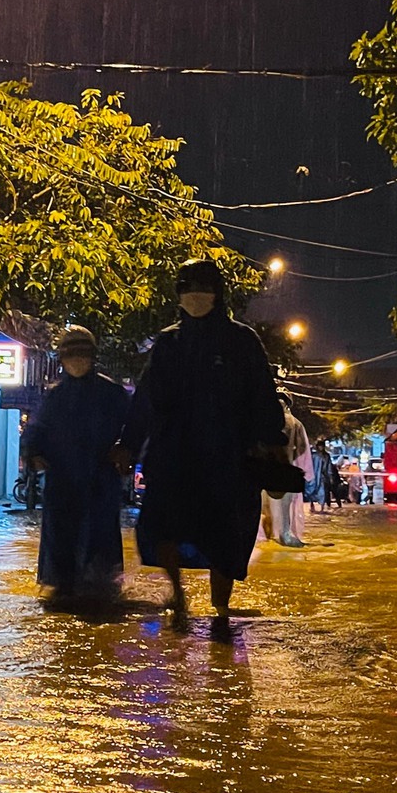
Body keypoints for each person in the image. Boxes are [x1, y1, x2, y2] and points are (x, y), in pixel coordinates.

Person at [116, 258, 288, 624]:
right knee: (161, 528)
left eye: (203, 289)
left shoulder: (242, 341)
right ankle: (177, 594)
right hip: (173, 455)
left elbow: (263, 395)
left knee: (226, 536)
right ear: (178, 295)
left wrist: (273, 444)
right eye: (188, 289)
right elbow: (145, 398)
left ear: (217, 294)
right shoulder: (167, 343)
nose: (196, 296)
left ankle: (221, 609)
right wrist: (128, 443)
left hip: (228, 458)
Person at [22, 325, 132, 600]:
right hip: (62, 479)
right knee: (60, 540)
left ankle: (101, 590)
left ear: (93, 356)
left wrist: (127, 450)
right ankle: (63, 588)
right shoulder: (54, 397)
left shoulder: (113, 393)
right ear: (62, 359)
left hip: (101, 478)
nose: (77, 361)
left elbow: (135, 428)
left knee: (101, 538)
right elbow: (36, 429)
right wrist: (32, 453)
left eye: (83, 354)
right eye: (72, 355)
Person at [262, 401, 312, 546]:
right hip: (285, 472)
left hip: (265, 473)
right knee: (284, 511)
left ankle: (268, 539)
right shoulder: (295, 423)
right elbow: (303, 449)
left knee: (266, 511)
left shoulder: (264, 420)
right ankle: (283, 537)